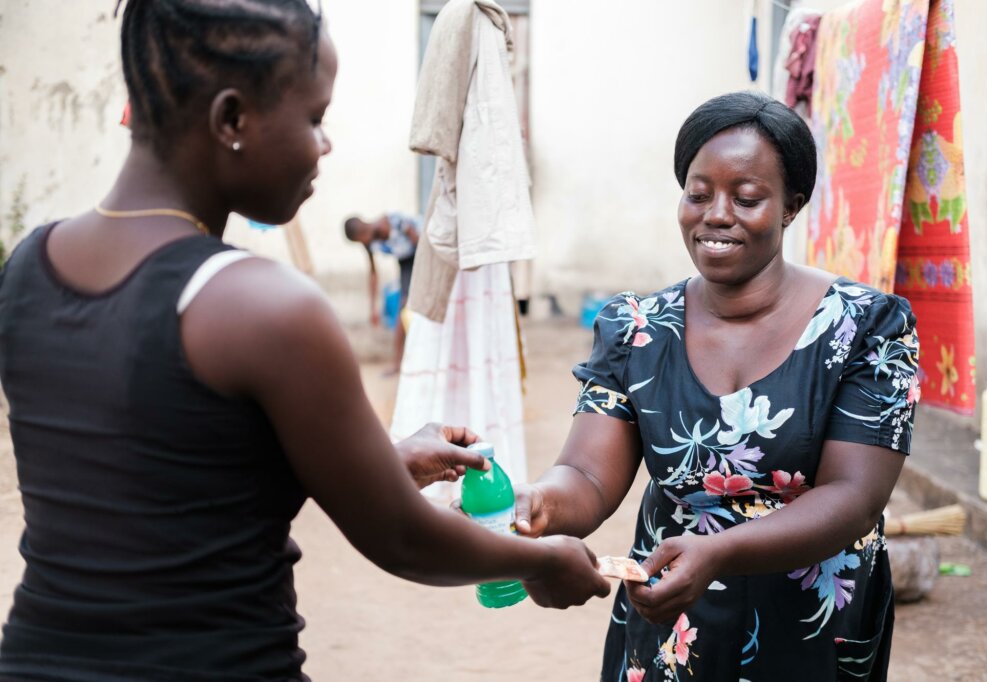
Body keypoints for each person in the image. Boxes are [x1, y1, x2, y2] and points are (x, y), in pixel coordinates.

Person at [0, 2, 609, 680]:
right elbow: (402, 538)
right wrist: (540, 559)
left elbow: (165, 464)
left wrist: (379, 457)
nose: (325, 146)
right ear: (232, 120)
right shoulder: (264, 306)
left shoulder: (29, 264)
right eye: (314, 118)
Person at [511, 92, 920, 681]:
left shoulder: (867, 327)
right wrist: (541, 504)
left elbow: (854, 497)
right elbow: (588, 475)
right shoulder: (636, 329)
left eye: (747, 198)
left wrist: (721, 550)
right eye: (698, 194)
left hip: (811, 622)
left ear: (791, 206)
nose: (716, 214)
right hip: (675, 612)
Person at [343, 212, 420, 371]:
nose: (363, 242)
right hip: (405, 262)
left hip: (420, 255)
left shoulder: (392, 222)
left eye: (361, 238)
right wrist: (373, 307)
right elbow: (373, 273)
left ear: (363, 231)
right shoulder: (369, 243)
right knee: (402, 309)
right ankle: (398, 364)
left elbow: (419, 243)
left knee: (411, 304)